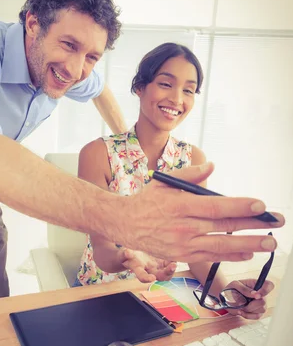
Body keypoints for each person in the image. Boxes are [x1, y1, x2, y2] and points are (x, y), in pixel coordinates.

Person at [0, 0, 283, 311]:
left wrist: (126, 146)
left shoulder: (77, 68)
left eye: (91, 56)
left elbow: (98, 90)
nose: (75, 70)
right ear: (33, 24)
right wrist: (125, 219)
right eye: (69, 45)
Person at [75, 43, 276, 320]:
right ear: (139, 87)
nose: (177, 98)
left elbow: (195, 252)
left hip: (161, 295)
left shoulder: (193, 159)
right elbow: (102, 249)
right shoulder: (97, 154)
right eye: (166, 84)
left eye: (189, 90)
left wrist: (227, 293)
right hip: (101, 294)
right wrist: (127, 257)